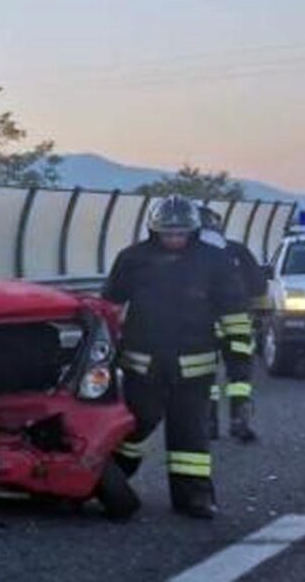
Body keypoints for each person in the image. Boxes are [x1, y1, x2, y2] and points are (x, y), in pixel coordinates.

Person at [105, 195, 250, 519]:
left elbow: (234, 314)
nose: (174, 239)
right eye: (167, 233)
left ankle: (194, 497)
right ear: (153, 230)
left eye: (180, 233)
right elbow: (110, 307)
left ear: (193, 231)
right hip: (141, 364)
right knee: (134, 426)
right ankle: (110, 482)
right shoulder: (132, 259)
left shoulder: (214, 261)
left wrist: (239, 362)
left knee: (190, 434)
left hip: (194, 367)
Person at [199, 206, 268, 443]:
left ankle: (209, 424)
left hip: (200, 325)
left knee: (205, 374)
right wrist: (259, 312)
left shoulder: (185, 256)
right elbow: (259, 286)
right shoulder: (237, 251)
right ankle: (240, 421)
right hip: (237, 323)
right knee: (239, 374)